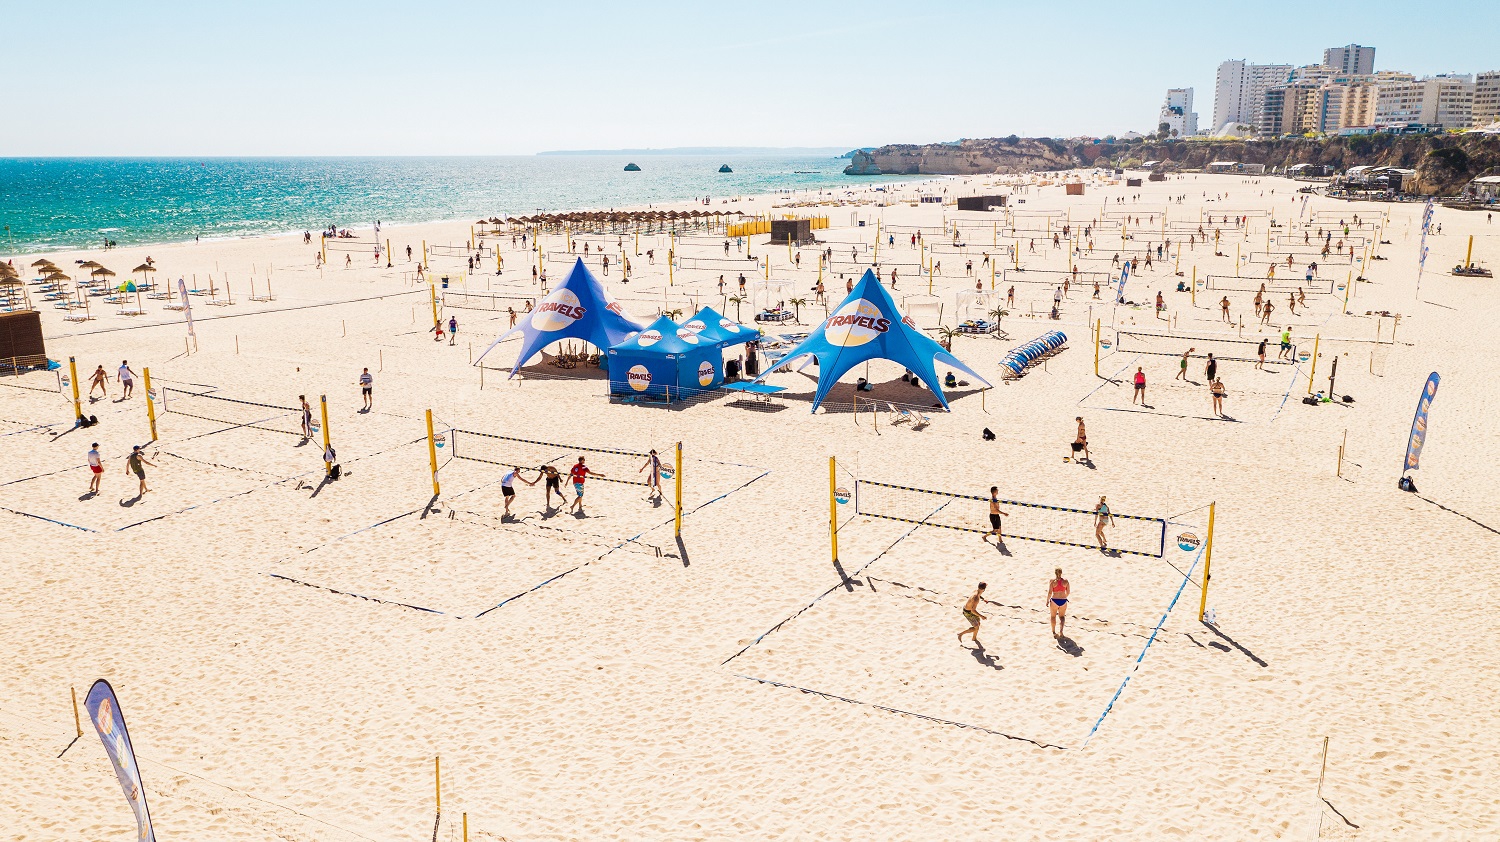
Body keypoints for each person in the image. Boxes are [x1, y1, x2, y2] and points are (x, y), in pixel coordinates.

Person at [1046, 568, 1070, 638]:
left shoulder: (1052, 581)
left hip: (1054, 600)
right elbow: (1068, 592)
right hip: (1063, 601)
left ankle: (1053, 632)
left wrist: (1047, 600)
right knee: (1062, 617)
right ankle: (1061, 631)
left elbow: (1050, 592)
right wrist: (1064, 597)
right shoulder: (1065, 581)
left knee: (1053, 616)